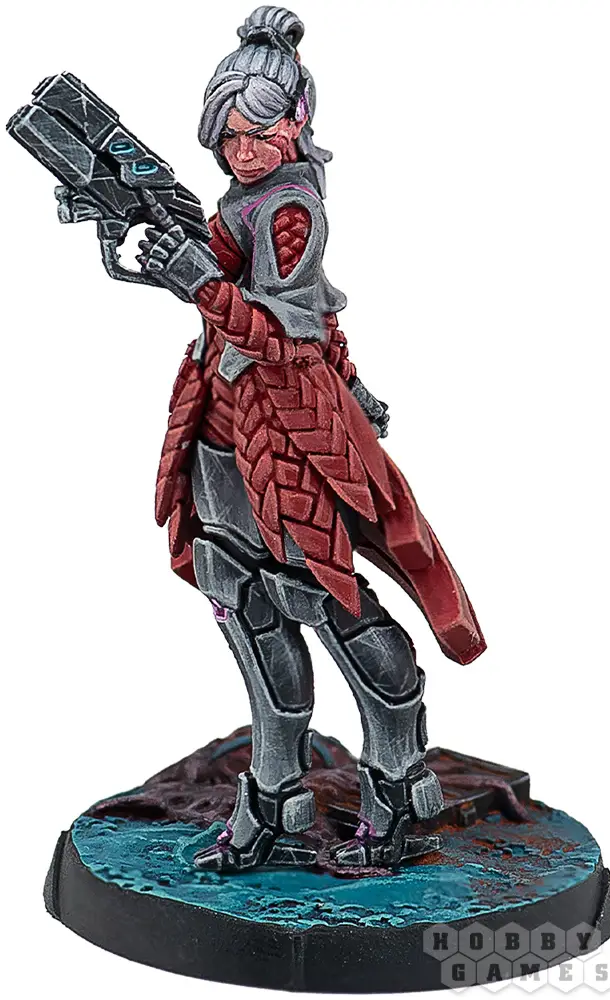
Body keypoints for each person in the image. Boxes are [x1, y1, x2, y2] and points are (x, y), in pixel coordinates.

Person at [137, 5, 486, 872]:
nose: (242, 151)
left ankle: (397, 782)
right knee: (238, 588)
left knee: (322, 592)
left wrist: (198, 285)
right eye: (228, 136)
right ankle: (274, 791)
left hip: (285, 431)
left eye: (258, 134)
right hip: (220, 424)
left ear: (296, 123)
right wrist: (157, 253)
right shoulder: (245, 199)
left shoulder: (290, 208)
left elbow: (283, 333)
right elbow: (304, 312)